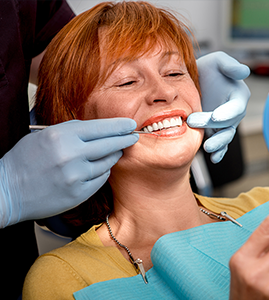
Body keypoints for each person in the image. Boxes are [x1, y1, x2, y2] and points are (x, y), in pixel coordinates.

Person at [0, 1, 250, 299]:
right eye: (127, 81)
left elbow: (67, 54)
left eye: (174, 73)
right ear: (72, 123)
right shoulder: (64, 279)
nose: (165, 92)